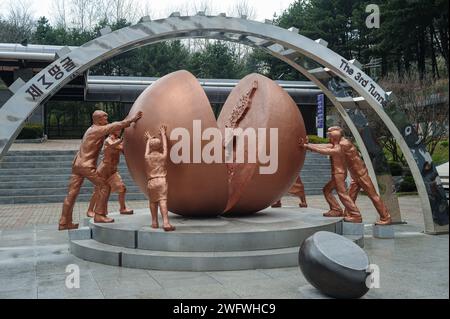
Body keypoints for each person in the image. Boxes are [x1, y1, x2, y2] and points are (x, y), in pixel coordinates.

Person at [58, 110, 142, 230]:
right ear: (98, 120)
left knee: (71, 194)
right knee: (105, 187)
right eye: (104, 118)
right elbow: (115, 126)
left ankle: (64, 222)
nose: (106, 120)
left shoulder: (91, 129)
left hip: (77, 164)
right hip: (86, 166)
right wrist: (132, 119)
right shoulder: (98, 129)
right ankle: (99, 215)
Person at [299, 128, 362, 223]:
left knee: (343, 194)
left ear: (334, 138)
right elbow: (324, 146)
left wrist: (307, 146)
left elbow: (324, 151)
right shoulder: (335, 145)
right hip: (338, 174)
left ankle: (356, 215)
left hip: (339, 174)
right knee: (327, 190)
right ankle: (336, 210)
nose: (328, 138)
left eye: (330, 136)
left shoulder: (338, 148)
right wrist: (307, 145)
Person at [337, 127, 391, 225]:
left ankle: (386, 217)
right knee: (351, 196)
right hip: (355, 176)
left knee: (373, 196)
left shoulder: (343, 144)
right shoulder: (341, 143)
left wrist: (308, 146)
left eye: (330, 133)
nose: (328, 135)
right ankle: (348, 214)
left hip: (361, 175)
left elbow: (330, 149)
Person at [86, 129, 134, 218]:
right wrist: (122, 140)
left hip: (113, 171)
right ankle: (90, 210)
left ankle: (122, 208)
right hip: (103, 170)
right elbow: (112, 145)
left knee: (122, 188)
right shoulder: (108, 140)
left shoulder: (118, 141)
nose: (120, 131)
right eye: (118, 129)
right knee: (97, 191)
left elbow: (123, 149)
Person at [144, 125, 175, 232]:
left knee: (152, 202)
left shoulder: (147, 157)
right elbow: (166, 147)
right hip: (161, 180)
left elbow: (147, 150)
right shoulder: (162, 156)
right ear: (159, 146)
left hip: (151, 181)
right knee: (163, 201)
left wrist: (148, 140)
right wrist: (163, 134)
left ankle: (154, 222)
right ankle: (166, 223)